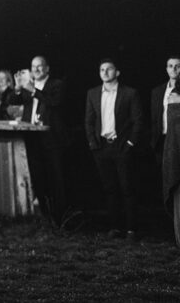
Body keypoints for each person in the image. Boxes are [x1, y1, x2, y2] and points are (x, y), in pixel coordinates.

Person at [84, 58, 144, 239]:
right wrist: (93, 144)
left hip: (122, 146)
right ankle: (115, 227)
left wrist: (130, 143)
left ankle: (131, 229)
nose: (105, 72)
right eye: (102, 69)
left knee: (127, 188)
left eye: (109, 69)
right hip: (102, 148)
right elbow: (89, 121)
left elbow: (138, 121)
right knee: (110, 189)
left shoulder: (130, 93)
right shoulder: (93, 93)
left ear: (117, 72)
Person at [25, 55, 70, 223]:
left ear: (47, 68)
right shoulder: (29, 86)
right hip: (34, 138)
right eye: (33, 66)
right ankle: (44, 216)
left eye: (40, 66)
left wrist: (33, 91)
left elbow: (54, 102)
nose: (36, 69)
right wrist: (17, 88)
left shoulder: (57, 84)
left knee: (56, 179)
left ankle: (60, 219)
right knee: (38, 178)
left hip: (52, 139)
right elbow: (13, 101)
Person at [151, 56, 180, 167]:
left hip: (178, 140)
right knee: (163, 177)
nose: (174, 69)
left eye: (178, 66)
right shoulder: (157, 91)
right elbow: (154, 118)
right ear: (167, 69)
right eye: (171, 66)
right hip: (162, 140)